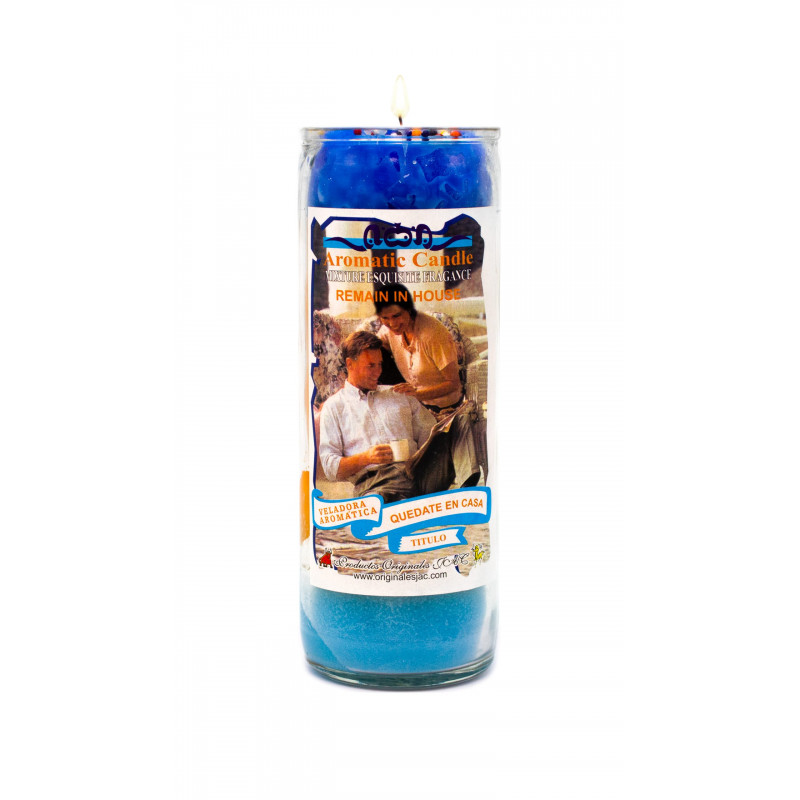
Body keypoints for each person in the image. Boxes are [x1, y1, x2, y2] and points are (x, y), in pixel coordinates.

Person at [319, 331, 445, 504]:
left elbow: (430, 434)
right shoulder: (334, 407)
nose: (378, 372)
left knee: (464, 422)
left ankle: (467, 488)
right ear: (350, 364)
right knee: (380, 501)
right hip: (378, 482)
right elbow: (330, 468)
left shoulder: (399, 393)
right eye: (371, 366)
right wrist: (367, 458)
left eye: (380, 364)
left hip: (420, 473)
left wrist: (443, 421)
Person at [375, 287, 480, 487]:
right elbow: (372, 344)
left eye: (397, 316)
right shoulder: (389, 331)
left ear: (409, 309)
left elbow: (453, 384)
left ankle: (467, 484)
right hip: (418, 409)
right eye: (385, 318)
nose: (392, 323)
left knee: (460, 425)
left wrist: (417, 393)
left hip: (447, 407)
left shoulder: (432, 333)